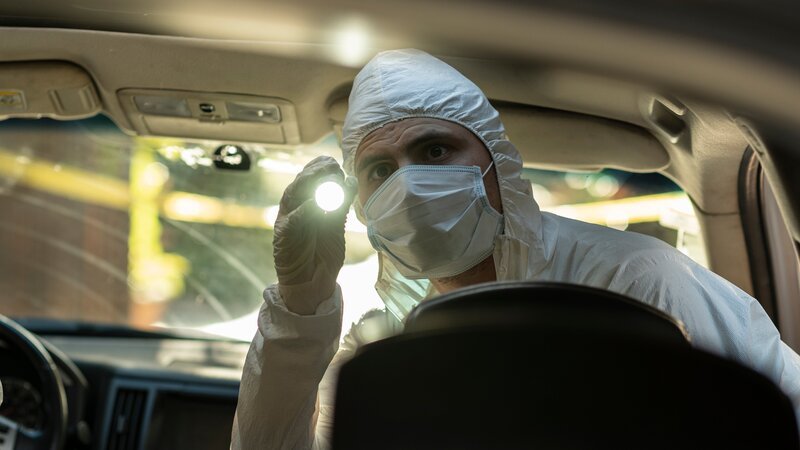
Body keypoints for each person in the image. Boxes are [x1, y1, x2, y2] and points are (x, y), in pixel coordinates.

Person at [230, 49, 800, 449]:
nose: (408, 185)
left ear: (499, 167)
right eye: (381, 169)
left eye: (435, 151)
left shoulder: (634, 285)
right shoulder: (379, 339)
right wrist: (301, 306)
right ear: (363, 205)